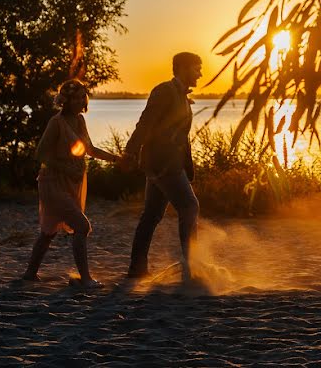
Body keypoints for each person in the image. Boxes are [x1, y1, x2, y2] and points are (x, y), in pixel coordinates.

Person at [21, 79, 120, 287]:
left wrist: (116, 159)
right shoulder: (56, 122)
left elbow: (90, 149)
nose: (79, 100)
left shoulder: (80, 121)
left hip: (71, 183)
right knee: (82, 226)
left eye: (82, 96)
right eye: (75, 97)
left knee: (48, 232)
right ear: (64, 100)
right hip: (52, 183)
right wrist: (65, 167)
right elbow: (40, 154)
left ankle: (30, 274)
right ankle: (85, 279)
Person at [123, 52, 202, 280]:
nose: (200, 73)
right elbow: (145, 123)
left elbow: (181, 136)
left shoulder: (180, 95)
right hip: (163, 164)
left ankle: (137, 269)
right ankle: (190, 267)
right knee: (189, 206)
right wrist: (130, 151)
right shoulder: (164, 91)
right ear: (183, 68)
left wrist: (188, 166)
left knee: (152, 215)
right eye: (197, 68)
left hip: (169, 164)